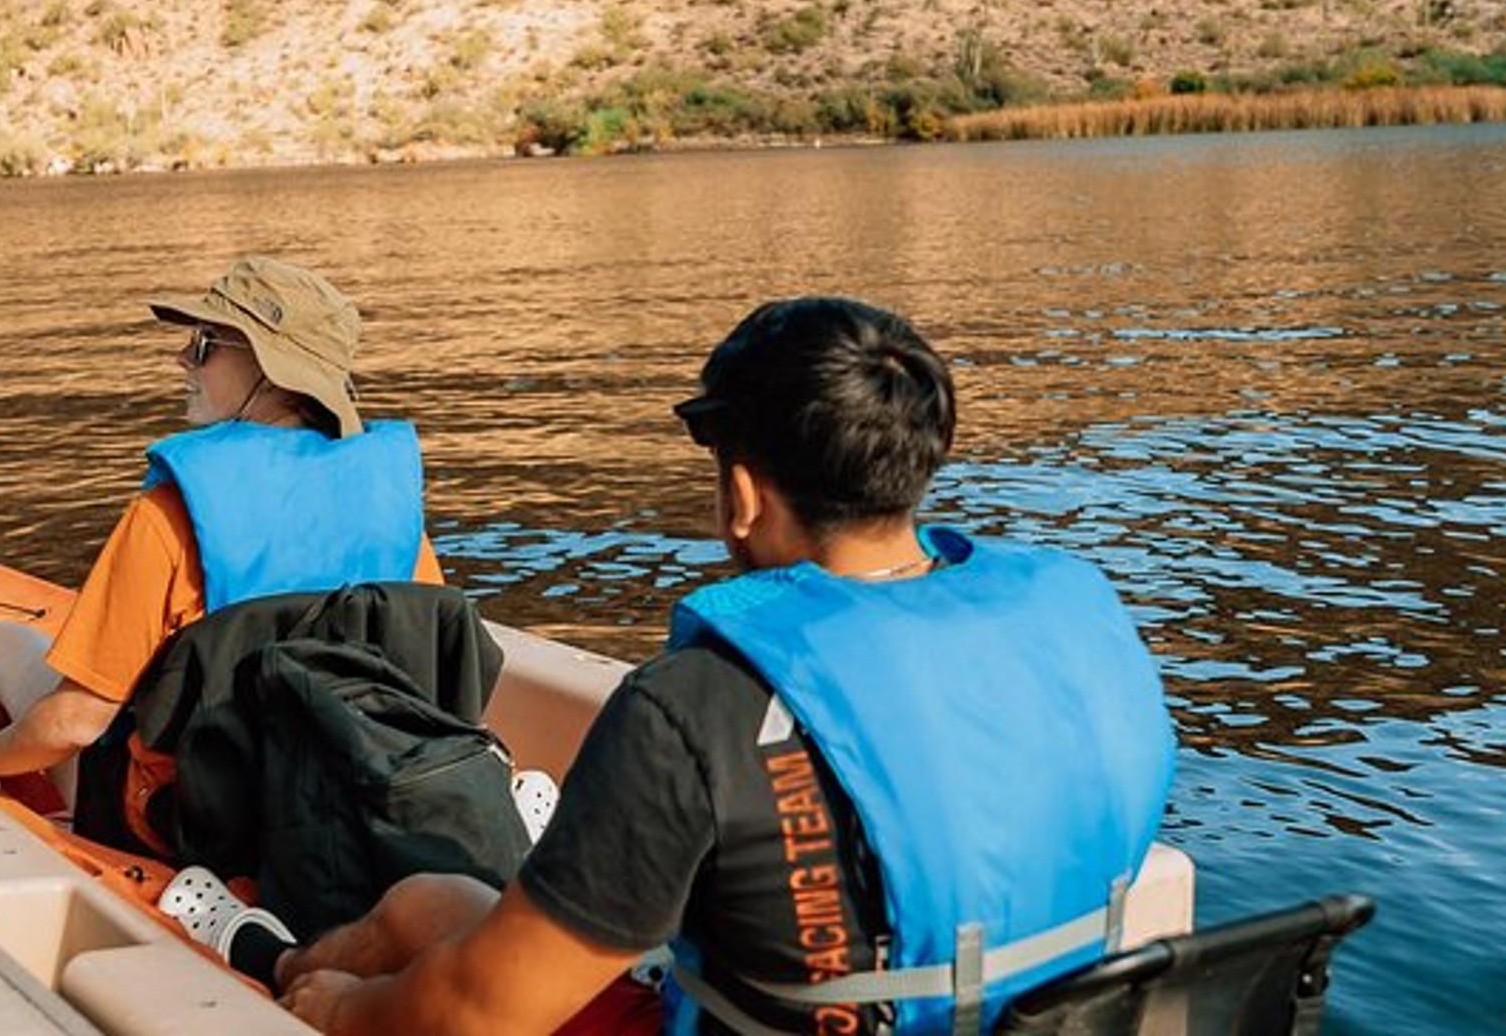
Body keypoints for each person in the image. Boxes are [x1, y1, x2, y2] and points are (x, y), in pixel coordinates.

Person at [269, 297, 1175, 1035]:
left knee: (401, 947)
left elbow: (479, 1013)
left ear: (741, 494)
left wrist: (348, 1010)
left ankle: (265, 966)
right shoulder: (1072, 624)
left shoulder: (696, 709)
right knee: (432, 900)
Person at [0, 256, 442, 831]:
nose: (181, 359)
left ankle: (10, 828)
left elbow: (75, 722)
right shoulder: (395, 514)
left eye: (204, 344)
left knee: (1, 646)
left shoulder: (169, 516)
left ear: (270, 368)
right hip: (337, 801)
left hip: (193, 821)